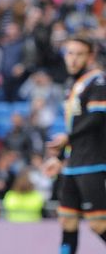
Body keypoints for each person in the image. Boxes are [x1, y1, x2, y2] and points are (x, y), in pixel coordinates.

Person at [44, 34, 106, 254]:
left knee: (99, 223)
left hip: (94, 162)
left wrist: (67, 140)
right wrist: (59, 158)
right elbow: (75, 127)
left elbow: (97, 118)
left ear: (91, 56)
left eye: (79, 54)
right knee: (67, 220)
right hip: (73, 163)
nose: (73, 59)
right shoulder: (72, 84)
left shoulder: (98, 81)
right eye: (70, 53)